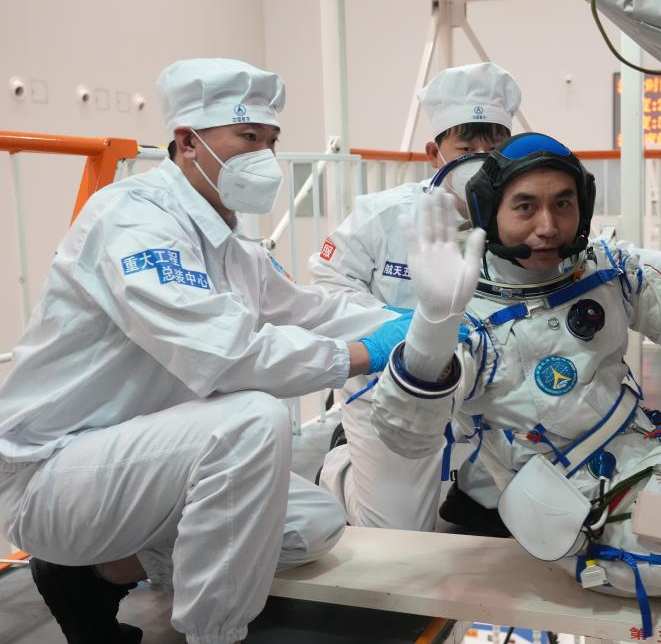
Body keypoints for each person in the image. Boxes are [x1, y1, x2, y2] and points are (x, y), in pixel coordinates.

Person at [0, 58, 415, 644]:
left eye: (271, 140)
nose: (265, 156)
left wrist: (416, 324)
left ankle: (94, 575)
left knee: (312, 524)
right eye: (248, 137)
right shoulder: (133, 221)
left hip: (149, 460)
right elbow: (227, 354)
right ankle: (212, 634)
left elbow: (307, 310)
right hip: (54, 472)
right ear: (188, 141)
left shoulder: (230, 244)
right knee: (252, 419)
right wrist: (362, 355)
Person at [362, 133, 661, 639]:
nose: (547, 227)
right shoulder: (469, 321)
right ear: (490, 212)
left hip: (656, 452)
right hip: (597, 516)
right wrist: (433, 328)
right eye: (525, 207)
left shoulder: (602, 269)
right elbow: (407, 436)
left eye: (563, 204)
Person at [311, 62, 521, 533]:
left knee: (522, 506)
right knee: (398, 531)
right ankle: (342, 465)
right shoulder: (382, 216)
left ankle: (473, 488)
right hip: (390, 383)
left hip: (485, 385)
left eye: (494, 150)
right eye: (466, 149)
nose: (481, 162)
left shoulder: (522, 218)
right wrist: (400, 327)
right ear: (434, 153)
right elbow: (327, 286)